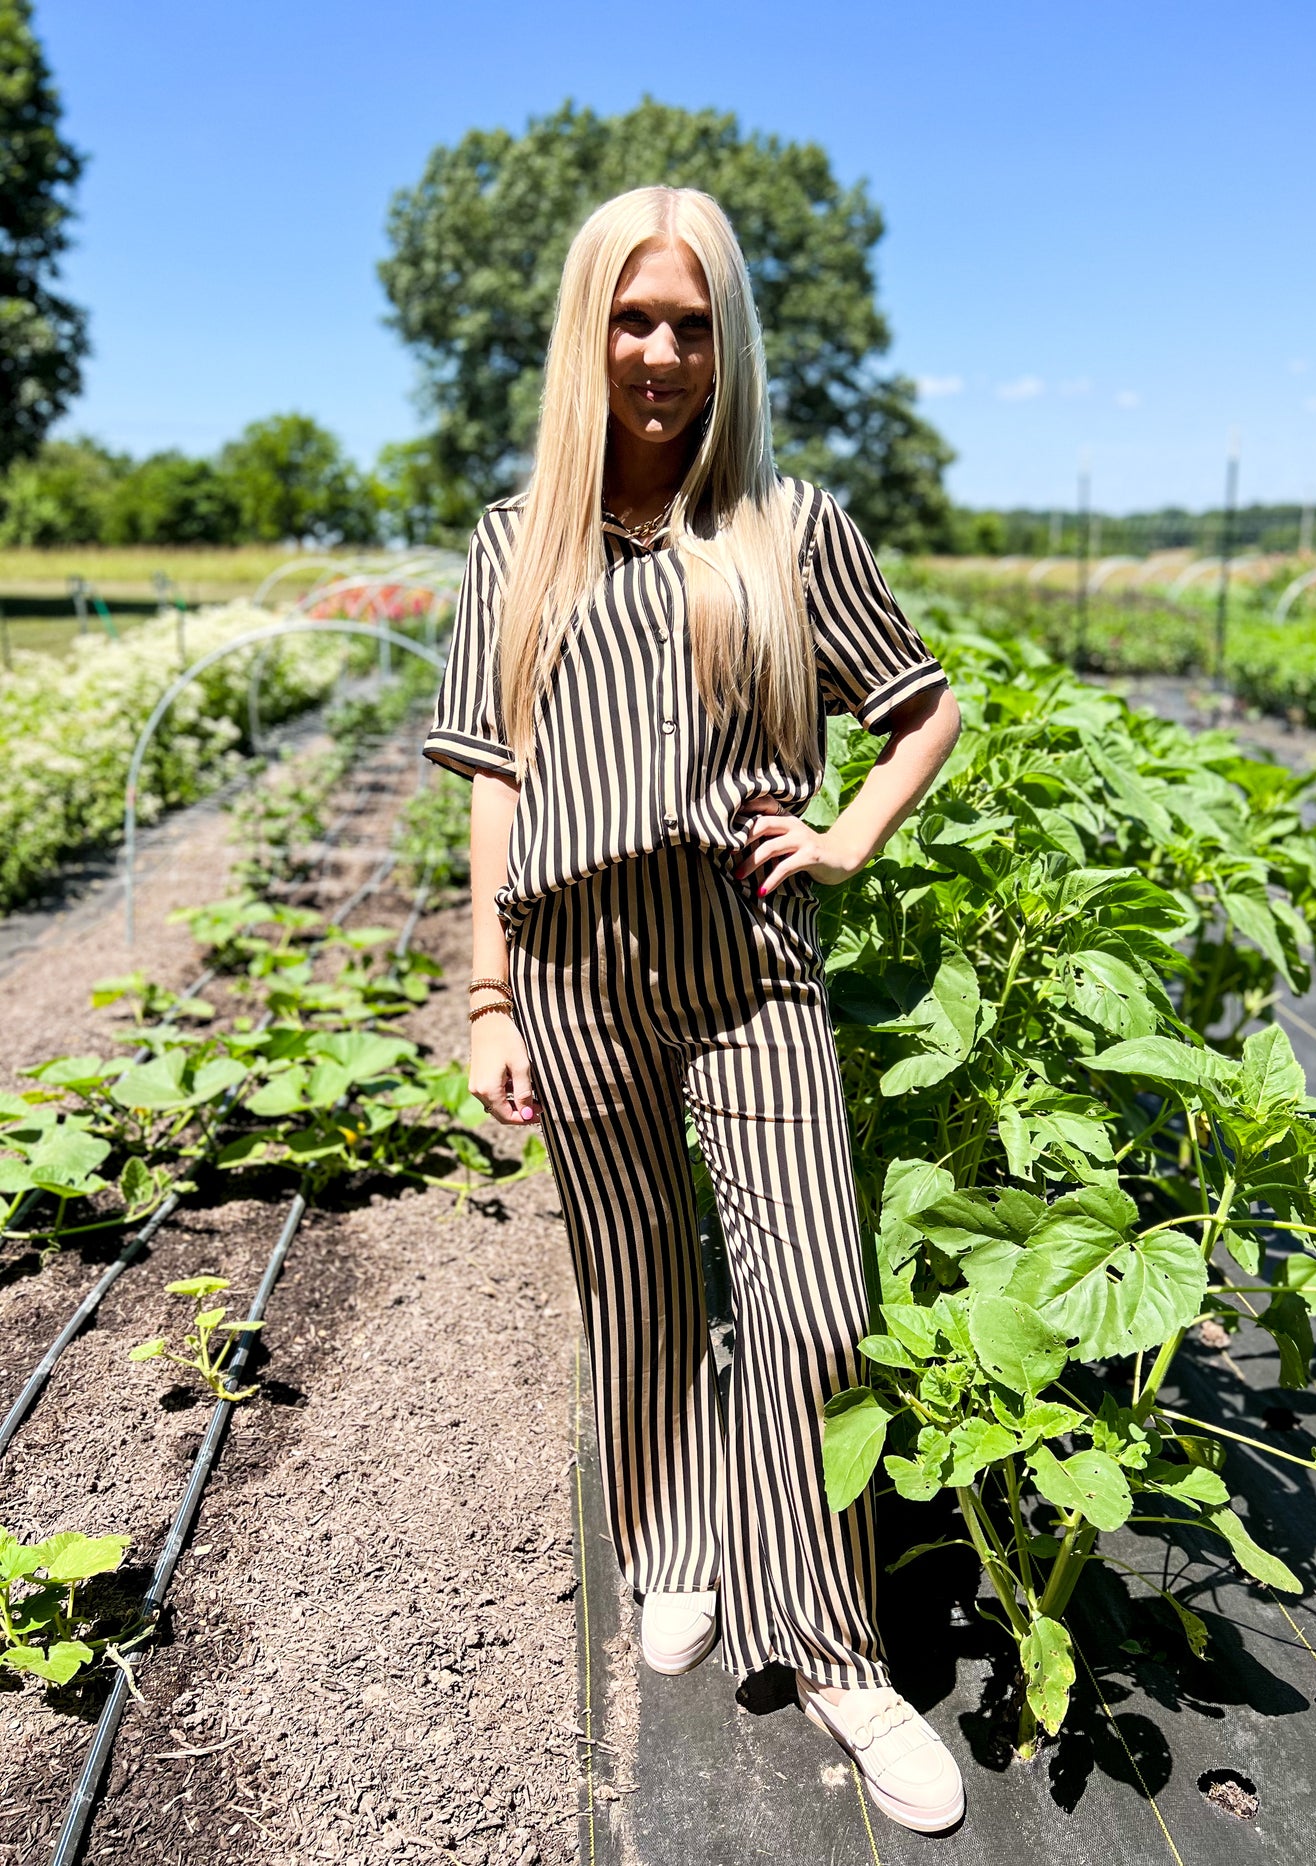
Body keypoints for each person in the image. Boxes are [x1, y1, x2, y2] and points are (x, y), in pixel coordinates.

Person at [423, 184, 965, 1836]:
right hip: (575, 967)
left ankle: (836, 1650)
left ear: (728, 343)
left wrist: (850, 832)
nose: (660, 352)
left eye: (692, 322)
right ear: (587, 335)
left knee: (810, 1304)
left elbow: (922, 708)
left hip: (750, 967)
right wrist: (490, 994)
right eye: (632, 318)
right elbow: (498, 785)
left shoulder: (788, 528)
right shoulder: (515, 544)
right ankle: (667, 1543)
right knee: (638, 1283)